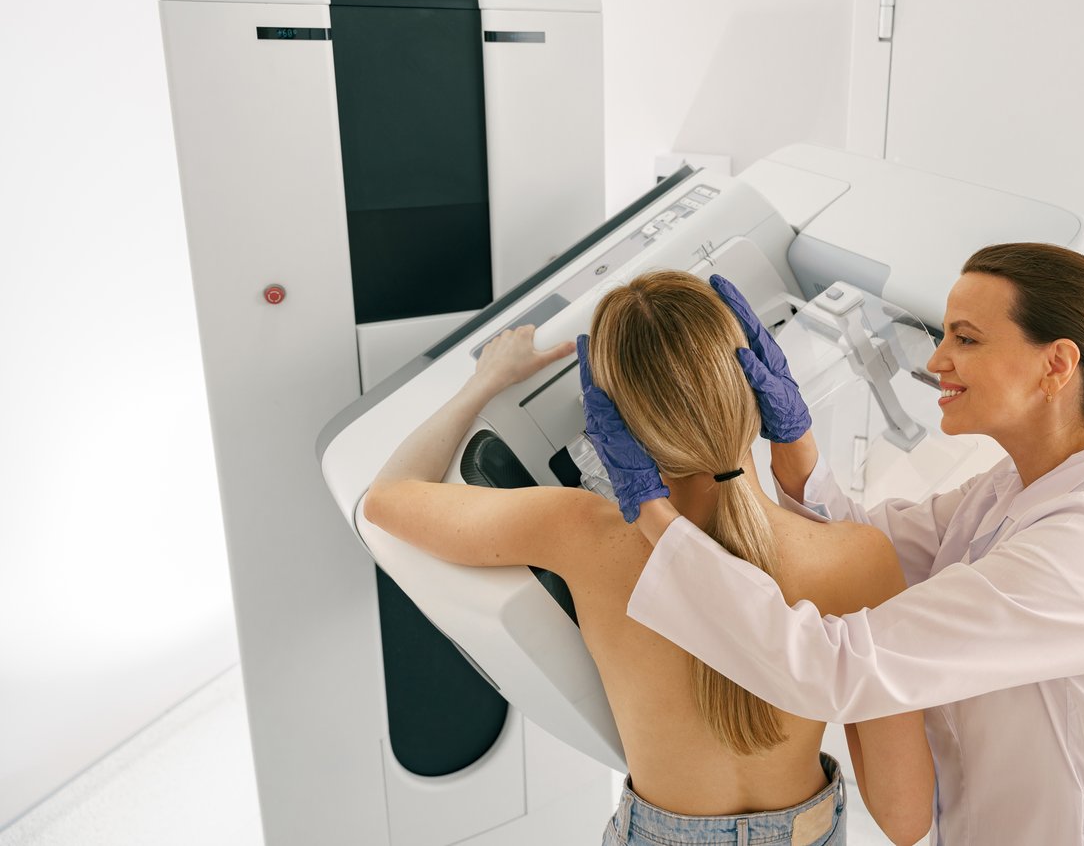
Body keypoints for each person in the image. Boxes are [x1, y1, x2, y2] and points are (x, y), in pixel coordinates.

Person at [588, 244, 1084, 845]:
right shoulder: (1012, 489)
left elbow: (837, 666)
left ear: (1055, 365)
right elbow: (868, 547)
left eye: (966, 339)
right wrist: (793, 441)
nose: (938, 358)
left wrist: (658, 521)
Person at [362, 270, 936, 845]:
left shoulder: (578, 533)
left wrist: (484, 382)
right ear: (756, 390)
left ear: (614, 430)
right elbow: (905, 820)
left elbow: (385, 499)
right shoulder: (857, 558)